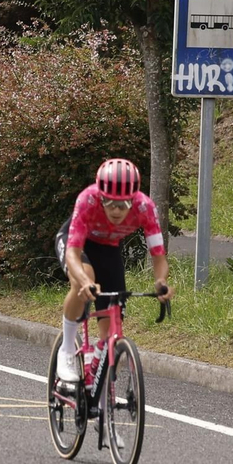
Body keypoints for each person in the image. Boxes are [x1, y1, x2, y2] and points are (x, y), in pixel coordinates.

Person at [55, 158, 173, 383]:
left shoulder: (145, 207)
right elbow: (72, 253)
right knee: (84, 279)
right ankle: (67, 350)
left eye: (124, 204)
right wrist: (84, 281)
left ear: (133, 199)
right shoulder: (88, 200)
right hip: (78, 244)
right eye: (109, 202)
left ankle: (99, 368)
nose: (117, 210)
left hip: (109, 249)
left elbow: (159, 257)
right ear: (101, 196)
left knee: (112, 327)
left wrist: (160, 282)